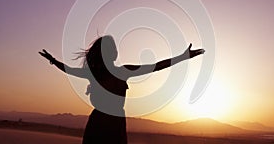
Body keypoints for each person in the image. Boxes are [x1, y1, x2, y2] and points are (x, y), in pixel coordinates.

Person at [39, 35, 205, 144]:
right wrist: (52, 60)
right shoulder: (100, 73)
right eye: (112, 48)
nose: (115, 51)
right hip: (103, 121)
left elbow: (155, 67)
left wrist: (183, 57)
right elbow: (68, 69)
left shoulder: (116, 71)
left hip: (112, 122)